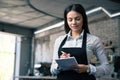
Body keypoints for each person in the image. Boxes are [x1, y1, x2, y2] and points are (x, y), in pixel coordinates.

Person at [50, 4, 111, 80]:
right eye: (70, 19)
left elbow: (107, 68)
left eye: (77, 19)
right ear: (66, 21)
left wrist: (88, 68)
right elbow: (52, 70)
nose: (74, 22)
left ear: (83, 19)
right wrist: (60, 66)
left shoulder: (94, 40)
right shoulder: (59, 40)